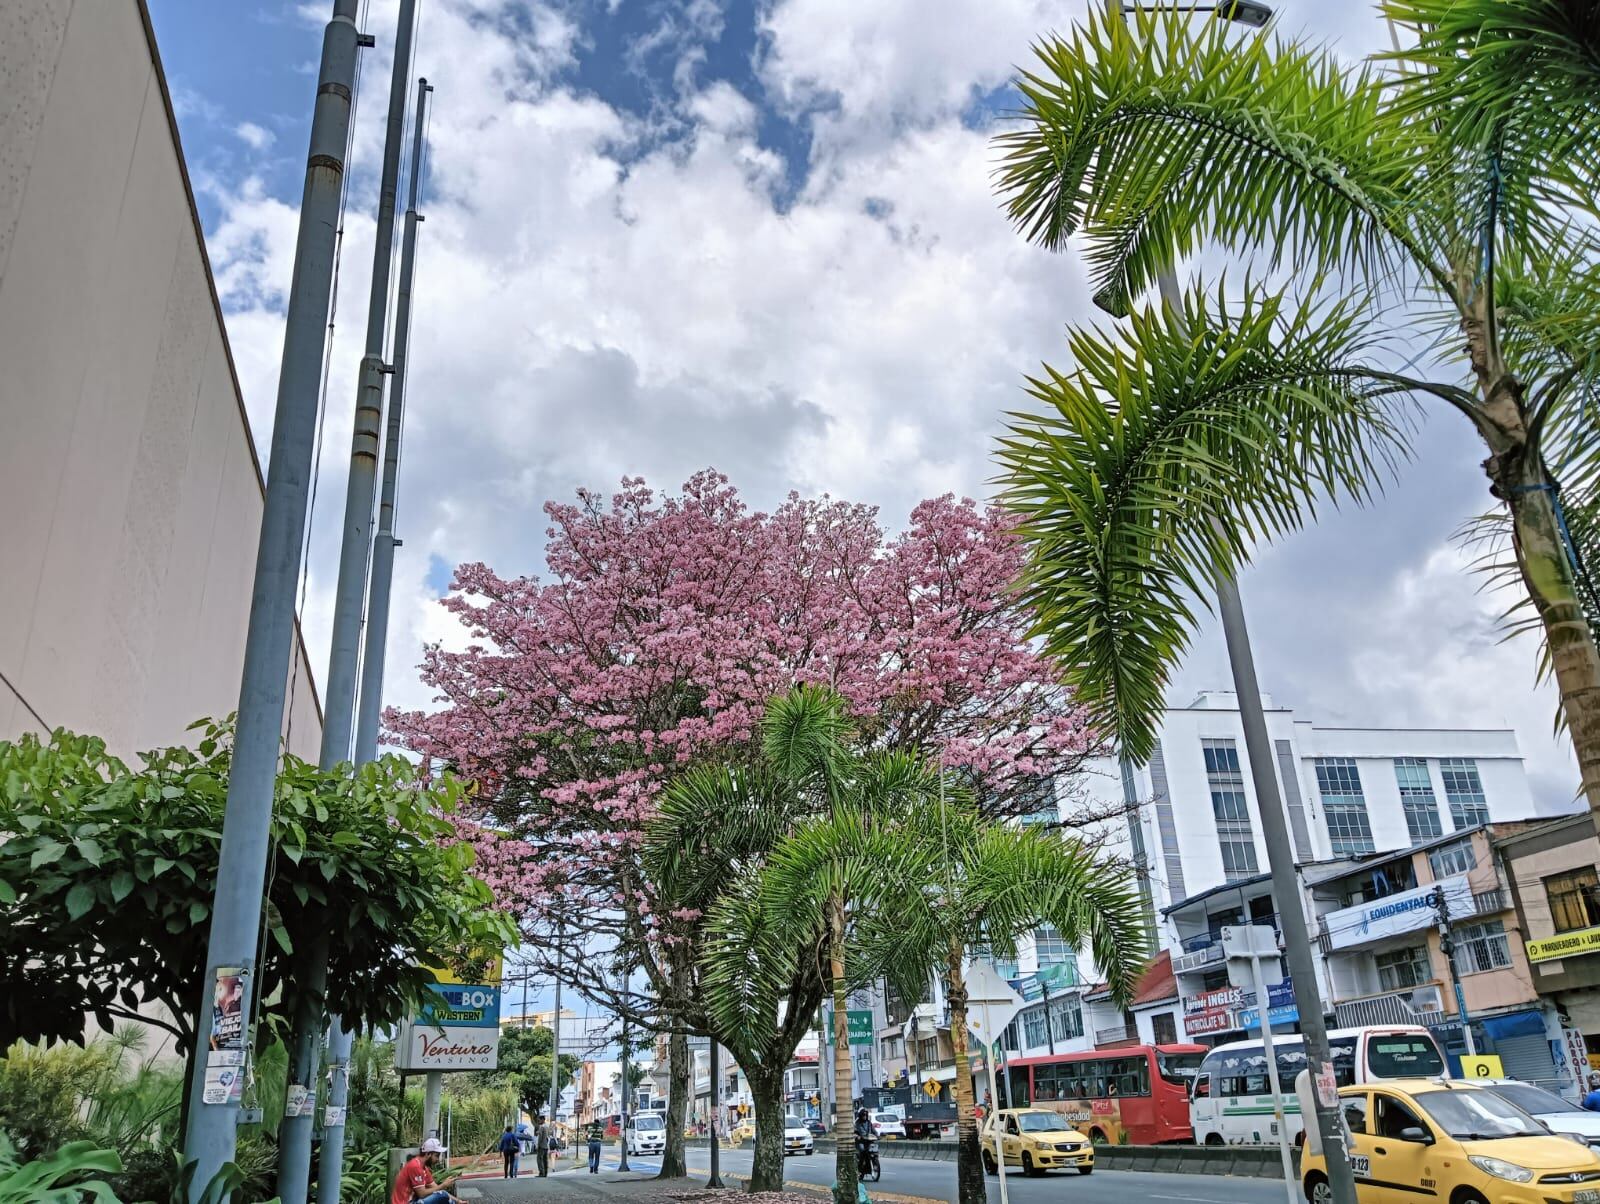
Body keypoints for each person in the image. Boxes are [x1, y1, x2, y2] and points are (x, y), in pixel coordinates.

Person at [389, 1137, 461, 1204]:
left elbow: (437, 1189)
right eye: (436, 1155)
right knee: (443, 1196)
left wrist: (458, 1201)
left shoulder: (423, 1168)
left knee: (442, 1195)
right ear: (428, 1154)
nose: (438, 1160)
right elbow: (422, 1194)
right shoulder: (415, 1166)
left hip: (413, 1201)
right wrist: (443, 1185)